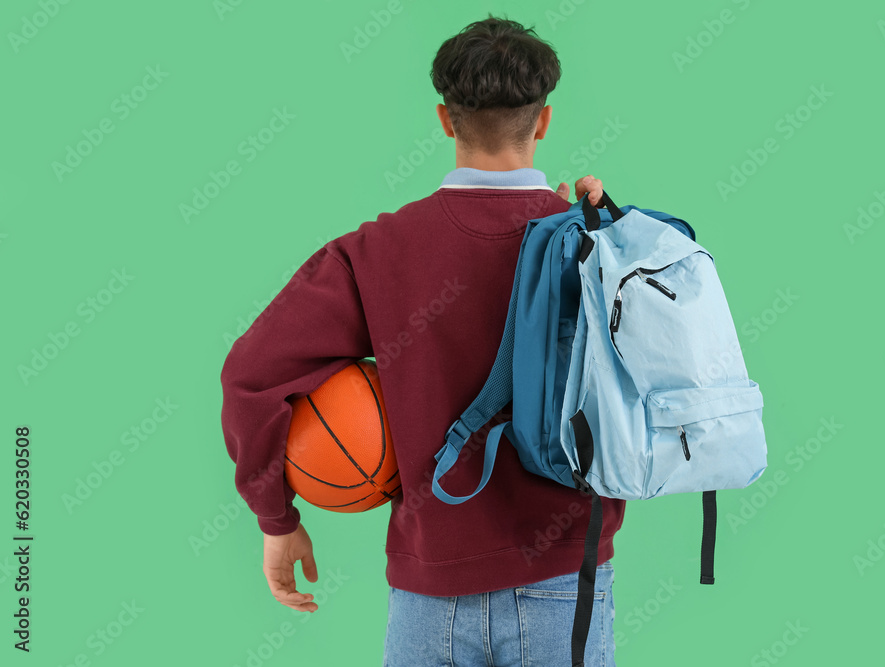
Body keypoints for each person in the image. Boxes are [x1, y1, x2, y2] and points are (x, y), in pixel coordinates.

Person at [220, 15, 625, 666]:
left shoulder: (375, 252)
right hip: (563, 576)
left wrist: (278, 520)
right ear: (543, 120)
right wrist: (599, 230)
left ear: (444, 119)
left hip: (429, 590)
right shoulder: (595, 243)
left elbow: (250, 374)